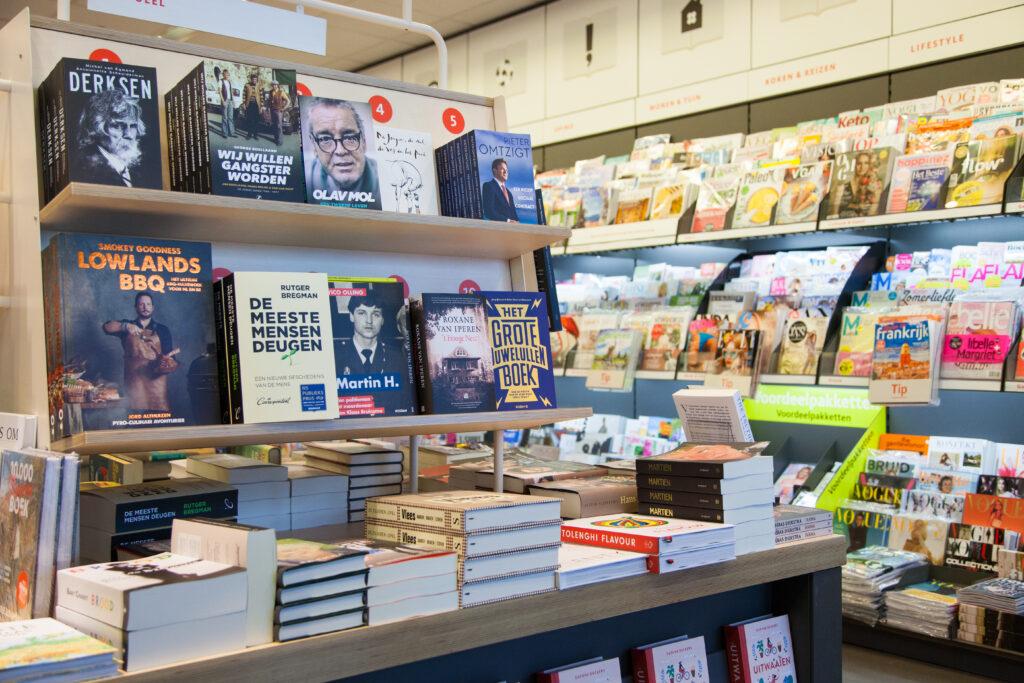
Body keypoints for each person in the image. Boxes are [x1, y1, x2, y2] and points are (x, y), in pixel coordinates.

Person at [102, 291, 178, 412]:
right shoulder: (127, 326)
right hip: (134, 383)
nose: (145, 307)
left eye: (148, 304)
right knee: (134, 416)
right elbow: (106, 327)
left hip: (156, 384)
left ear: (152, 307)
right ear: (136, 307)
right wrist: (125, 326)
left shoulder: (163, 330)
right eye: (141, 304)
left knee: (158, 419)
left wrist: (168, 362)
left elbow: (172, 359)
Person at [304, 98, 381, 209]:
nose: (340, 151)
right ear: (315, 148)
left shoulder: (386, 180)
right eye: (325, 139)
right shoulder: (301, 181)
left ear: (364, 142)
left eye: (349, 137)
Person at [73, 89, 155, 188]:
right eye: (118, 126)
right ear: (96, 128)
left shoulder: (139, 171)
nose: (129, 134)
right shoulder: (84, 169)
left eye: (133, 126)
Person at [241, 71, 262, 141]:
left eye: (255, 79)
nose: (254, 81)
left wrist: (261, 107)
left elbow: (261, 96)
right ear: (251, 79)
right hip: (249, 104)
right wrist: (244, 104)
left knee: (256, 120)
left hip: (257, 105)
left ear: (257, 80)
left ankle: (255, 135)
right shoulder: (247, 85)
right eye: (253, 79)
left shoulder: (259, 85)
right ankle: (249, 134)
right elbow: (244, 95)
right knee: (250, 120)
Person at [268, 81, 290, 146]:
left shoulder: (281, 92)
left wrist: (283, 108)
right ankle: (276, 139)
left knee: (279, 126)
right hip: (272, 110)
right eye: (273, 85)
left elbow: (288, 101)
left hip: (278, 111)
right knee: (274, 125)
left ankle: (280, 141)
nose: (274, 86)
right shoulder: (270, 92)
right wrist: (268, 107)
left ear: (277, 85)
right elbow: (269, 100)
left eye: (275, 85)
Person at [219, 67, 235, 138]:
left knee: (230, 117)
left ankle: (232, 133)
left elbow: (231, 91)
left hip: (230, 100)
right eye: (226, 75)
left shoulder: (229, 81)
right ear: (223, 75)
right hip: (225, 100)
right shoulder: (220, 81)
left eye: (228, 75)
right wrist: (223, 101)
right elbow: (220, 91)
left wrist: (233, 100)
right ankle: (224, 133)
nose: (227, 76)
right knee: (224, 117)